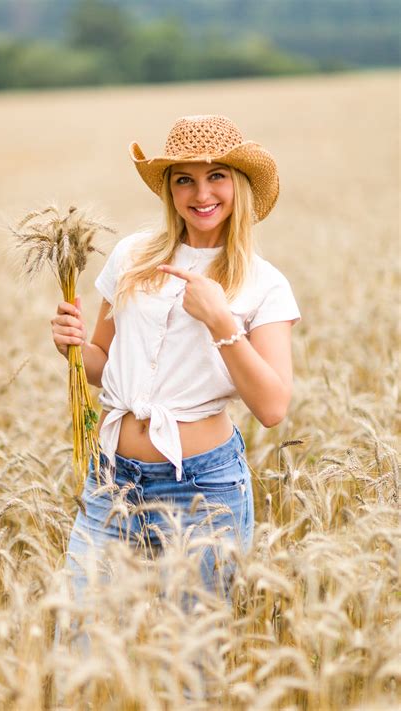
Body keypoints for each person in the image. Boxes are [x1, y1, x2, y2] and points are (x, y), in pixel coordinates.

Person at [51, 114, 301, 605]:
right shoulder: (132, 256)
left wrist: (221, 323)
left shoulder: (264, 283)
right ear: (169, 189)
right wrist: (73, 347)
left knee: (189, 667)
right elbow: (102, 361)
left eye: (216, 176)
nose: (200, 193)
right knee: (80, 636)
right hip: (110, 479)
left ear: (240, 185)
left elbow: (273, 407)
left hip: (202, 489)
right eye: (184, 179)